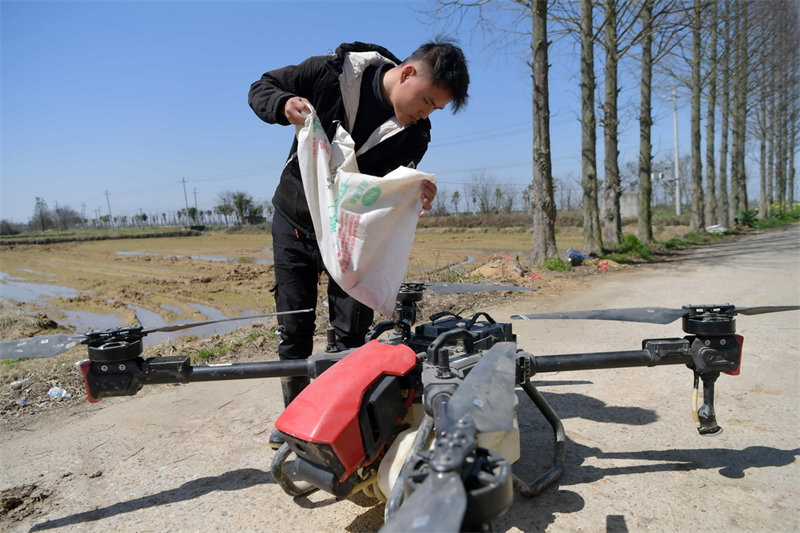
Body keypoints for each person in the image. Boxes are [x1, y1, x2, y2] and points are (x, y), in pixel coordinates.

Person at [248, 40, 469, 449]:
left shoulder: (416, 134)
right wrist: (283, 104)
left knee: (351, 334)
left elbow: (390, 188)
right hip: (297, 220)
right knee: (294, 329)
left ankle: (339, 418)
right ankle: (294, 421)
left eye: (435, 109)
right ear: (407, 73)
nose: (427, 112)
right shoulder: (328, 75)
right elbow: (262, 87)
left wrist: (414, 191)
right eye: (426, 100)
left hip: (351, 237)